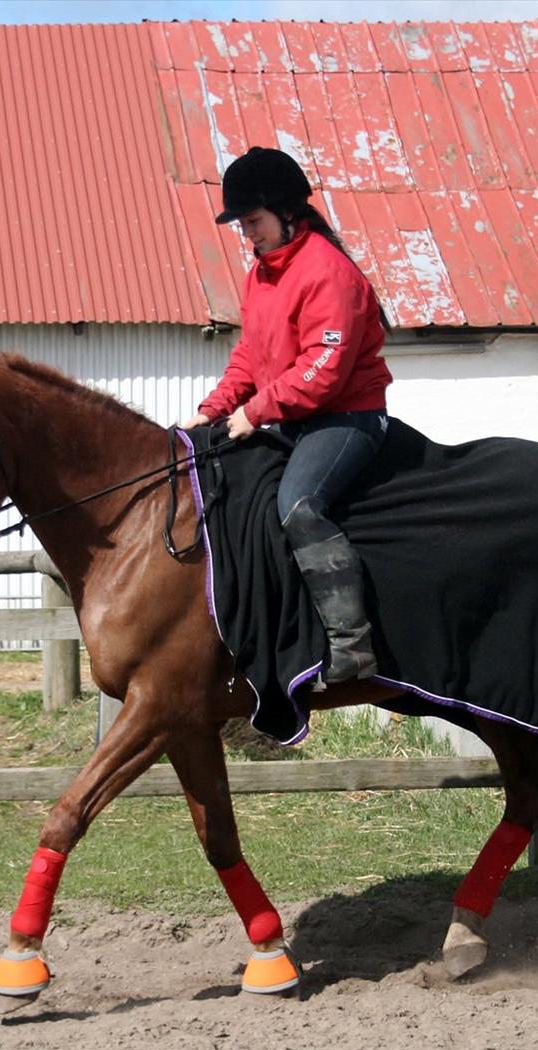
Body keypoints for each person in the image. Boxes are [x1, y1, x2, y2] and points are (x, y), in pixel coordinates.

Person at [183, 147, 393, 682]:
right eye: (243, 225)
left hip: (346, 418)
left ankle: (353, 645)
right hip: (294, 418)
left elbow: (323, 368)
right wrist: (211, 412)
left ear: (287, 212)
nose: (248, 234)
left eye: (253, 222)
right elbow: (252, 355)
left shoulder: (329, 272)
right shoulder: (262, 276)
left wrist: (255, 412)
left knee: (298, 506)